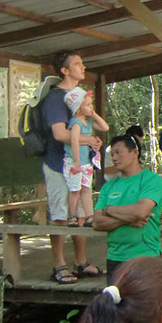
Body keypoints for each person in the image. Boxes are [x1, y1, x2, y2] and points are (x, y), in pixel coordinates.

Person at [39, 51, 104, 284]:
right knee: (59, 215)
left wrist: (91, 141)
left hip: (80, 164)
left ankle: (81, 261)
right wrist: (89, 140)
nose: (83, 67)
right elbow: (59, 133)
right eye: (77, 64)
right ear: (64, 70)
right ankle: (59, 265)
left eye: (83, 63)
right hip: (58, 165)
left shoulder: (78, 96)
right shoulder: (56, 99)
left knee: (80, 215)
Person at [91, 136, 162, 285]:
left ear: (134, 152)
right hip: (115, 258)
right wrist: (127, 219)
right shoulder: (108, 187)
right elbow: (97, 223)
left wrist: (109, 209)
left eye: (118, 152)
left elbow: (140, 212)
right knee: (116, 307)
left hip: (145, 256)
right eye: (112, 154)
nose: (114, 158)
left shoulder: (151, 180)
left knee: (145, 306)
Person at [63, 88, 109, 228]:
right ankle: (73, 216)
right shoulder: (75, 123)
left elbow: (104, 127)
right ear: (78, 108)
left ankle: (90, 215)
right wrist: (77, 162)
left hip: (86, 162)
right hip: (75, 161)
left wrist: (93, 114)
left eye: (91, 104)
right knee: (75, 190)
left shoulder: (88, 122)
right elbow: (74, 142)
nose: (91, 107)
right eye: (88, 105)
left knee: (86, 189)